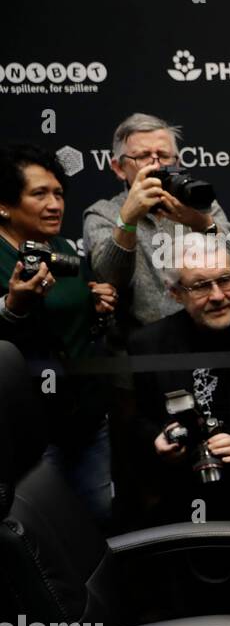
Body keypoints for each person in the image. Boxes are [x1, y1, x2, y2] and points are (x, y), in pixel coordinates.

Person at [0, 143, 117, 523]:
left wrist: (96, 307)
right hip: (27, 425)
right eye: (39, 194)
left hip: (84, 418)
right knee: (36, 524)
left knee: (96, 517)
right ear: (4, 205)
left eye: (59, 194)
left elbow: (73, 323)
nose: (55, 204)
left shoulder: (63, 247)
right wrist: (12, 306)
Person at [125, 232, 230, 524]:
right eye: (201, 286)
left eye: (225, 280)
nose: (218, 295)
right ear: (175, 292)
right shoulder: (148, 345)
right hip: (181, 498)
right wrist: (157, 440)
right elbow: (139, 420)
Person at [82, 113, 230, 332]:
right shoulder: (102, 213)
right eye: (143, 156)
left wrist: (201, 223)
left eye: (163, 155)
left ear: (178, 162)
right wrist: (128, 219)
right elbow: (111, 279)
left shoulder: (200, 204)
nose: (155, 165)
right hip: (138, 345)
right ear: (118, 167)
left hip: (207, 334)